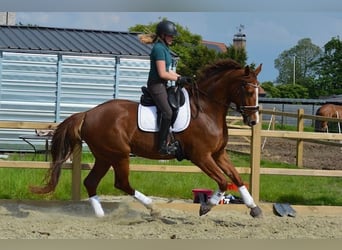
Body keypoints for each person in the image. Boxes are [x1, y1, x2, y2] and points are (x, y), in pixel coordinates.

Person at [139, 20, 190, 155]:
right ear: (162, 35)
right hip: (156, 85)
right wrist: (178, 79)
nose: (172, 37)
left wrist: (184, 78)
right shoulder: (159, 49)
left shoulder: (165, 48)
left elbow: (169, 71)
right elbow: (162, 73)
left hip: (163, 84)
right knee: (167, 112)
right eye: (170, 35)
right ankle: (162, 146)